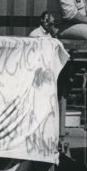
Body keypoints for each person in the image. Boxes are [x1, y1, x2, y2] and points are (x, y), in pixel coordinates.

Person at [29, 11, 72, 162]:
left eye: (53, 23)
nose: (51, 25)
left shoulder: (51, 36)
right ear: (43, 21)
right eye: (50, 22)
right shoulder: (36, 34)